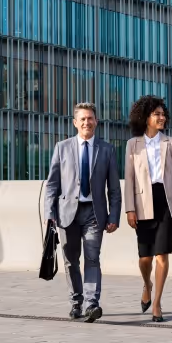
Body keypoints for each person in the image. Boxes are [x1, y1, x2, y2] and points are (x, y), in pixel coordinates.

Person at [44, 103, 122, 322]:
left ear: (96, 121)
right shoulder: (62, 147)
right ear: (75, 123)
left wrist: (114, 216)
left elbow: (114, 188)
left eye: (90, 118)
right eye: (83, 119)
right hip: (66, 213)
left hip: (94, 214)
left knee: (92, 257)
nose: (87, 122)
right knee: (71, 260)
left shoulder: (107, 149)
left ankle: (91, 304)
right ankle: (76, 301)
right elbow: (52, 185)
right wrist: (49, 214)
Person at [123, 96, 172, 323]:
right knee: (145, 258)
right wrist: (129, 209)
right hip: (142, 205)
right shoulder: (133, 144)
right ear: (145, 118)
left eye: (163, 114)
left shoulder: (171, 142)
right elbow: (129, 179)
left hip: (167, 202)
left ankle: (157, 303)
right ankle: (147, 284)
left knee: (162, 254)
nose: (161, 118)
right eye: (156, 114)